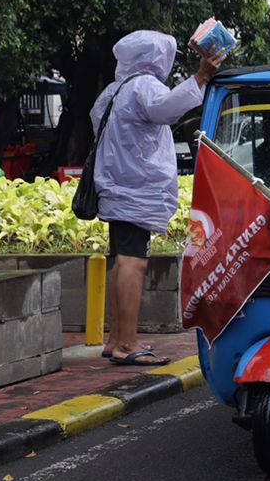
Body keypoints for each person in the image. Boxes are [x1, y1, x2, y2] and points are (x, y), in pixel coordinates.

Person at [90, 31, 223, 365]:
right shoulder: (144, 86)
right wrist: (202, 76)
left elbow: (98, 122)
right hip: (135, 190)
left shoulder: (114, 90)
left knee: (122, 260)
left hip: (117, 187)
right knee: (133, 263)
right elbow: (166, 109)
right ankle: (128, 345)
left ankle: (115, 339)